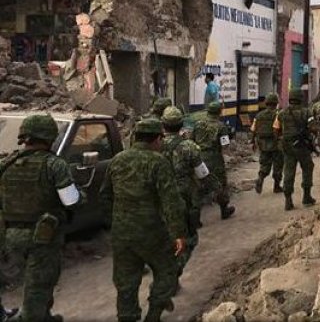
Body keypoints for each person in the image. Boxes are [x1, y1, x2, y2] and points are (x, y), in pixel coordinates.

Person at [100, 118, 187, 322]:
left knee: (126, 282)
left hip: (122, 233)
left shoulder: (117, 160)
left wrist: (114, 224)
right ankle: (154, 314)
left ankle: (127, 317)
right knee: (167, 270)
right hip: (151, 231)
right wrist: (179, 234)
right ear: (157, 139)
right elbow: (171, 202)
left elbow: (104, 196)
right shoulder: (158, 162)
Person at [0, 114, 81, 322]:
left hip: (11, 235)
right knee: (40, 284)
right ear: (49, 136)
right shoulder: (54, 165)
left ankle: (44, 316)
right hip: (43, 236)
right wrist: (81, 196)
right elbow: (71, 200)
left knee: (36, 282)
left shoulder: (8, 163)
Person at [161, 107, 213, 278]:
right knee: (189, 238)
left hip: (159, 199)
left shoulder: (154, 146)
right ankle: (174, 271)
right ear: (181, 124)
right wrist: (212, 190)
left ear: (163, 125)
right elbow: (202, 173)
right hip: (184, 199)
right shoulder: (189, 147)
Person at [192, 101, 235, 220]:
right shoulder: (221, 126)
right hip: (214, 158)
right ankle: (224, 210)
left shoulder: (198, 124)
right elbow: (225, 145)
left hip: (199, 157)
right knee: (220, 184)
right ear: (219, 112)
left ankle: (195, 217)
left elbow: (192, 140)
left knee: (199, 186)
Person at [274, 89, 316, 210]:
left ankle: (288, 200)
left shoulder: (281, 113)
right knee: (308, 168)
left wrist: (281, 139)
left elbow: (276, 129)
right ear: (301, 98)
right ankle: (306, 197)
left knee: (288, 171)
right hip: (302, 146)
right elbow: (313, 128)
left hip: (287, 146)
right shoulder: (307, 112)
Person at [251, 94, 283, 194]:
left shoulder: (259, 115)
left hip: (262, 144)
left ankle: (260, 179)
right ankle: (276, 186)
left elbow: (253, 130)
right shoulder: (278, 114)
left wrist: (253, 142)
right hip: (275, 144)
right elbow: (279, 129)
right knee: (278, 165)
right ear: (276, 103)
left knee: (264, 164)